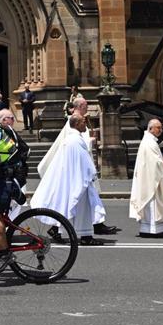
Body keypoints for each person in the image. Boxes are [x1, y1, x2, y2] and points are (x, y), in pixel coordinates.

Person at [38, 96, 119, 235]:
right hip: (76, 169)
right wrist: (91, 142)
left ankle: (94, 225)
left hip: (81, 166)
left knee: (86, 200)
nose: (87, 108)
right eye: (86, 106)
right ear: (80, 106)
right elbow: (74, 144)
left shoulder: (79, 121)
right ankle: (79, 227)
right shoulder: (74, 122)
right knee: (77, 201)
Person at [28, 114, 105, 247]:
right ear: (76, 124)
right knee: (81, 209)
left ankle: (60, 230)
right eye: (82, 122)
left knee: (71, 208)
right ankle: (86, 237)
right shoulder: (75, 140)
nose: (85, 124)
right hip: (79, 180)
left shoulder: (71, 139)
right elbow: (83, 161)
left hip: (74, 178)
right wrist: (91, 174)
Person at [129, 118, 163, 236]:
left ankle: (161, 228)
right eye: (158, 128)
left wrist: (161, 164)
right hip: (151, 180)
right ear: (150, 128)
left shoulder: (150, 141)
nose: (160, 130)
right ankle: (152, 229)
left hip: (153, 177)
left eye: (161, 128)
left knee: (160, 203)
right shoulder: (149, 143)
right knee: (154, 203)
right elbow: (153, 163)